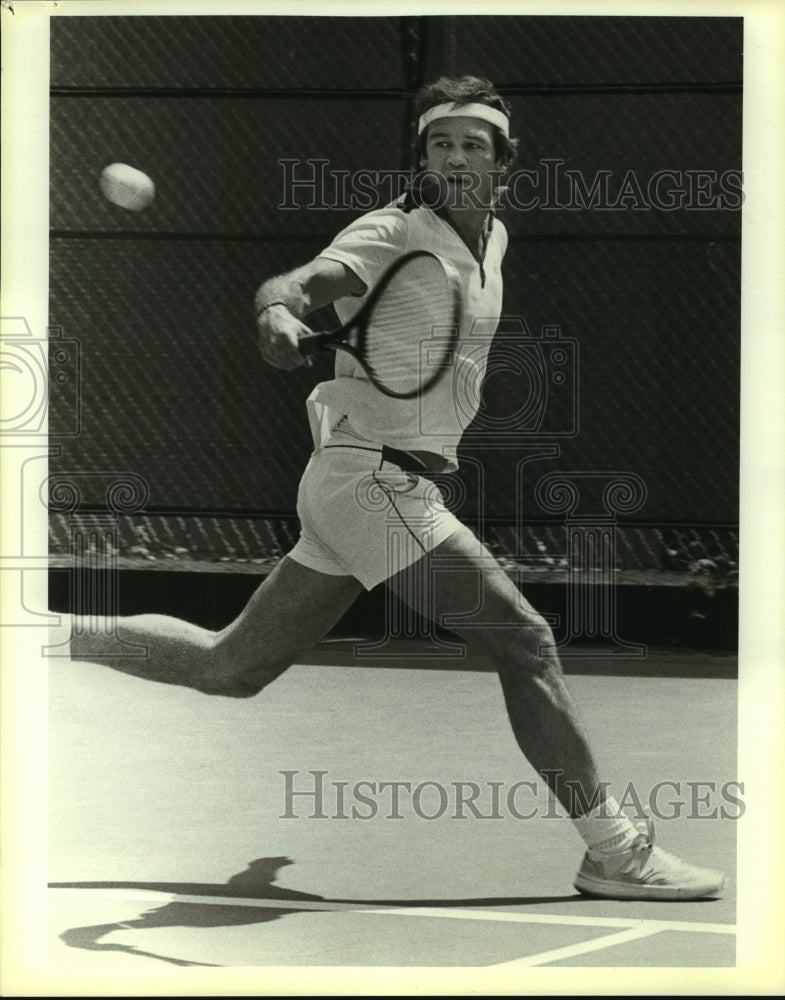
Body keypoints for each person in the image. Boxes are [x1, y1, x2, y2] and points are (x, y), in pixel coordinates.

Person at [69, 75, 725, 901]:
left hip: (367, 480)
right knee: (524, 642)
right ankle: (614, 851)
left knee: (230, 666)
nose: (453, 157)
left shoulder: (492, 241)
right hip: (370, 483)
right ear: (422, 158)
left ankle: (44, 637)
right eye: (439, 144)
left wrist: (264, 874)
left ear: (502, 164)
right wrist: (276, 314)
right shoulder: (389, 231)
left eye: (472, 145)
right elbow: (299, 283)